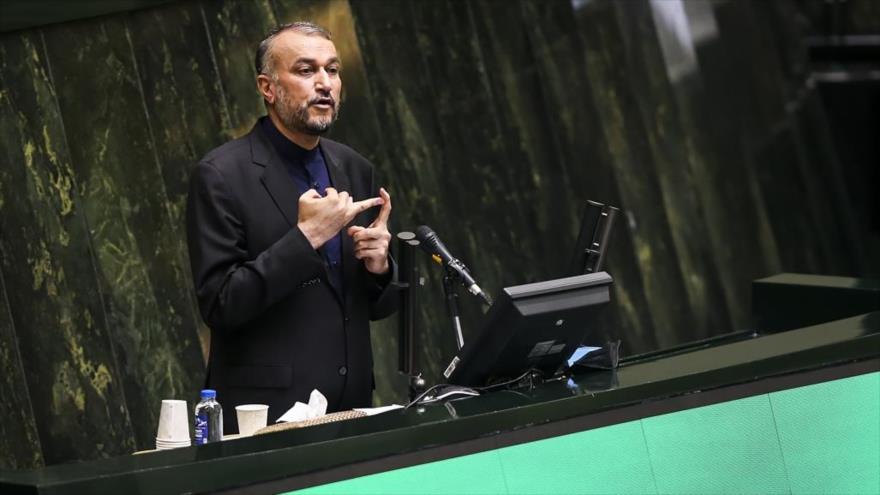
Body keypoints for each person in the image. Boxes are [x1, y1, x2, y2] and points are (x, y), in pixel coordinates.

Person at [186, 21, 397, 433]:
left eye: (332, 70)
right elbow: (220, 303)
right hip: (264, 418)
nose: (325, 84)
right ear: (268, 87)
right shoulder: (220, 175)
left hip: (352, 408)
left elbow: (377, 307)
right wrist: (306, 239)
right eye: (305, 70)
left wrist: (380, 268)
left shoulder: (353, 167)